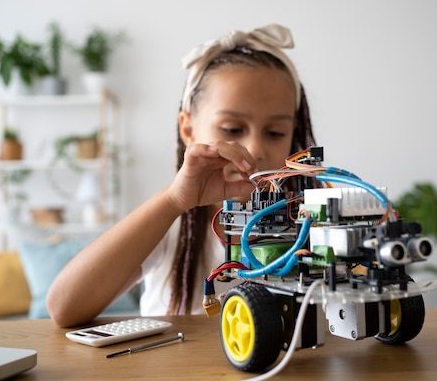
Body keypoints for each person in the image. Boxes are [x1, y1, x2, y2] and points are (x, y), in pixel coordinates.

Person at [47, 23, 317, 327]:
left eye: (275, 132)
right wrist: (173, 201)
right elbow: (63, 307)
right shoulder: (171, 226)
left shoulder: (311, 227)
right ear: (187, 128)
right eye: (232, 130)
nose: (254, 149)